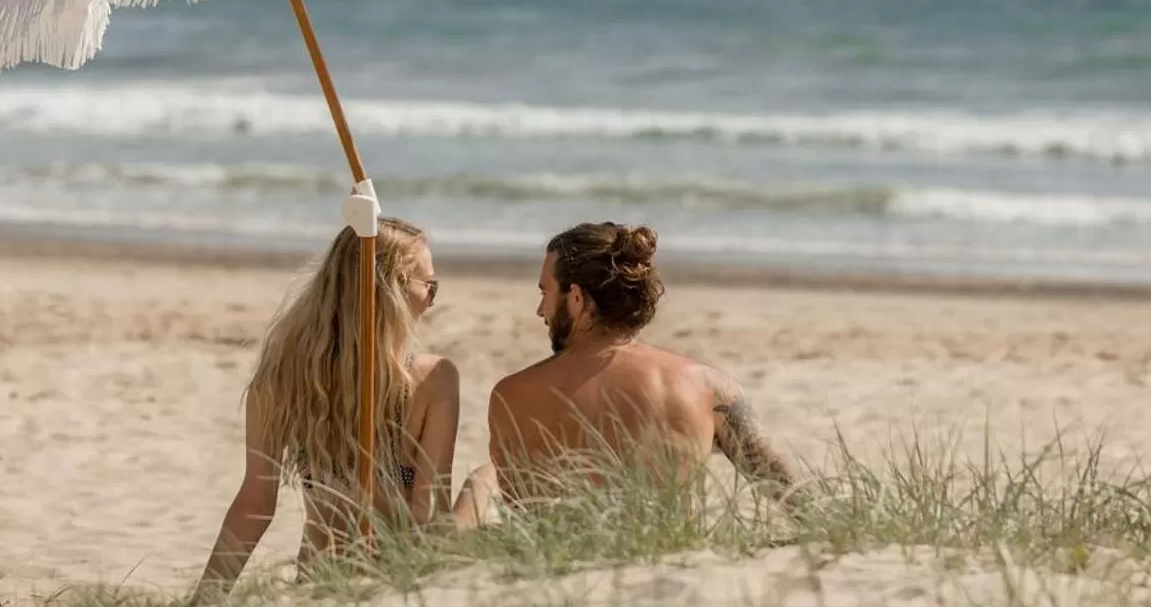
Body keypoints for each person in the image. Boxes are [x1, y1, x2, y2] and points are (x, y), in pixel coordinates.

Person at [454, 221, 797, 526]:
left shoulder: (512, 395)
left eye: (545, 292)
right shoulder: (709, 387)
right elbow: (790, 492)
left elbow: (522, 511)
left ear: (575, 298)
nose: (541, 309)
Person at [197, 217, 459, 594]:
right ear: (394, 291)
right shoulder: (434, 378)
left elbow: (255, 504)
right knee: (484, 483)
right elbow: (429, 511)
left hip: (316, 583)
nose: (431, 301)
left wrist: (206, 596)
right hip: (394, 581)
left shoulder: (283, 379)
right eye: (429, 287)